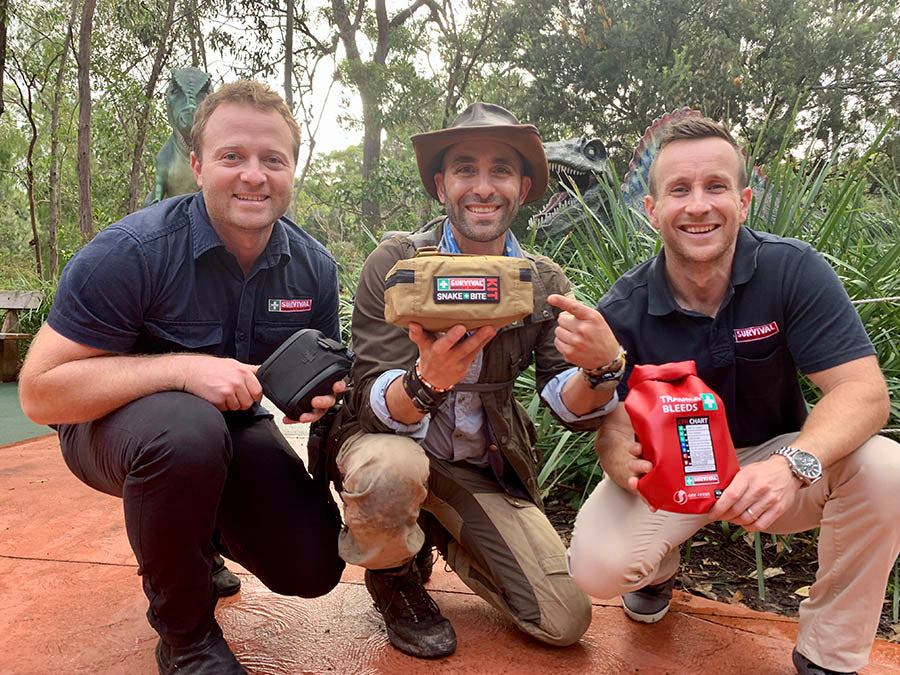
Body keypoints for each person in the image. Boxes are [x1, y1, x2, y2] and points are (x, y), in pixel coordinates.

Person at [18, 81, 346, 674]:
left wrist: (318, 401)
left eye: (273, 159)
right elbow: (41, 393)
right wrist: (182, 369)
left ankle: (202, 536)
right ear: (196, 166)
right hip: (114, 431)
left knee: (314, 566)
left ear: (294, 169)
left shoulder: (314, 269)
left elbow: (309, 386)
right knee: (185, 429)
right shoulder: (132, 252)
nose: (254, 175)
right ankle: (186, 638)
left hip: (232, 430)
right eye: (231, 157)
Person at [565, 116, 900, 675]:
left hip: (777, 457)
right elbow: (607, 415)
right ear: (652, 212)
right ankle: (660, 569)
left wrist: (794, 464)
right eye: (679, 190)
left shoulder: (792, 271)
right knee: (596, 568)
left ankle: (829, 656)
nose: (699, 205)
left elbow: (864, 393)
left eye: (715, 186)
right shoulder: (622, 307)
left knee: (889, 469)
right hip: (676, 472)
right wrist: (612, 440)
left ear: (743, 201)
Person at [333, 102, 624, 659]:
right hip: (396, 441)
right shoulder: (396, 265)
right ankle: (393, 575)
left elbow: (563, 402)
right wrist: (426, 382)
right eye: (466, 170)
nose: (482, 188)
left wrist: (601, 369)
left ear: (523, 186)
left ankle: (445, 533)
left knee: (565, 620)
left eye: (501, 171)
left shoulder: (542, 282)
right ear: (442, 186)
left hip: (476, 463)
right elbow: (369, 403)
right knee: (389, 470)